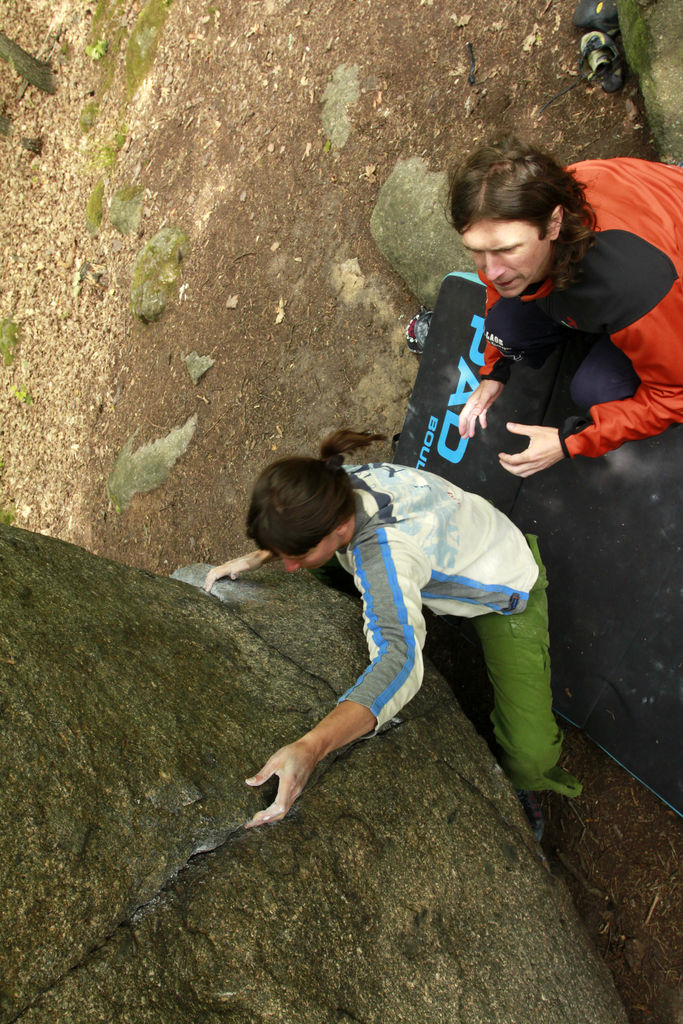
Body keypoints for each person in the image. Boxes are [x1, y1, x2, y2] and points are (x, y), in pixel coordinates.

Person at [204, 429, 581, 838]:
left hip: (505, 586)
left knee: (531, 752)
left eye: (295, 554)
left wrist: (311, 748)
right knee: (327, 566)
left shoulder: (384, 554)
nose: (289, 567)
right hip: (463, 527)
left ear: (338, 526)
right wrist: (262, 553)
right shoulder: (333, 481)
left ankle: (523, 784)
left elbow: (400, 662)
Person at [447, 136, 683, 477]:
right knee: (504, 329)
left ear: (554, 223)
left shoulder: (637, 289)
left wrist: (570, 442)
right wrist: (494, 370)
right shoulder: (530, 199)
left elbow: (674, 397)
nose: (491, 269)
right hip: (637, 238)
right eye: (477, 250)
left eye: (508, 250)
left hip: (664, 294)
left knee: (596, 391)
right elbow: (496, 279)